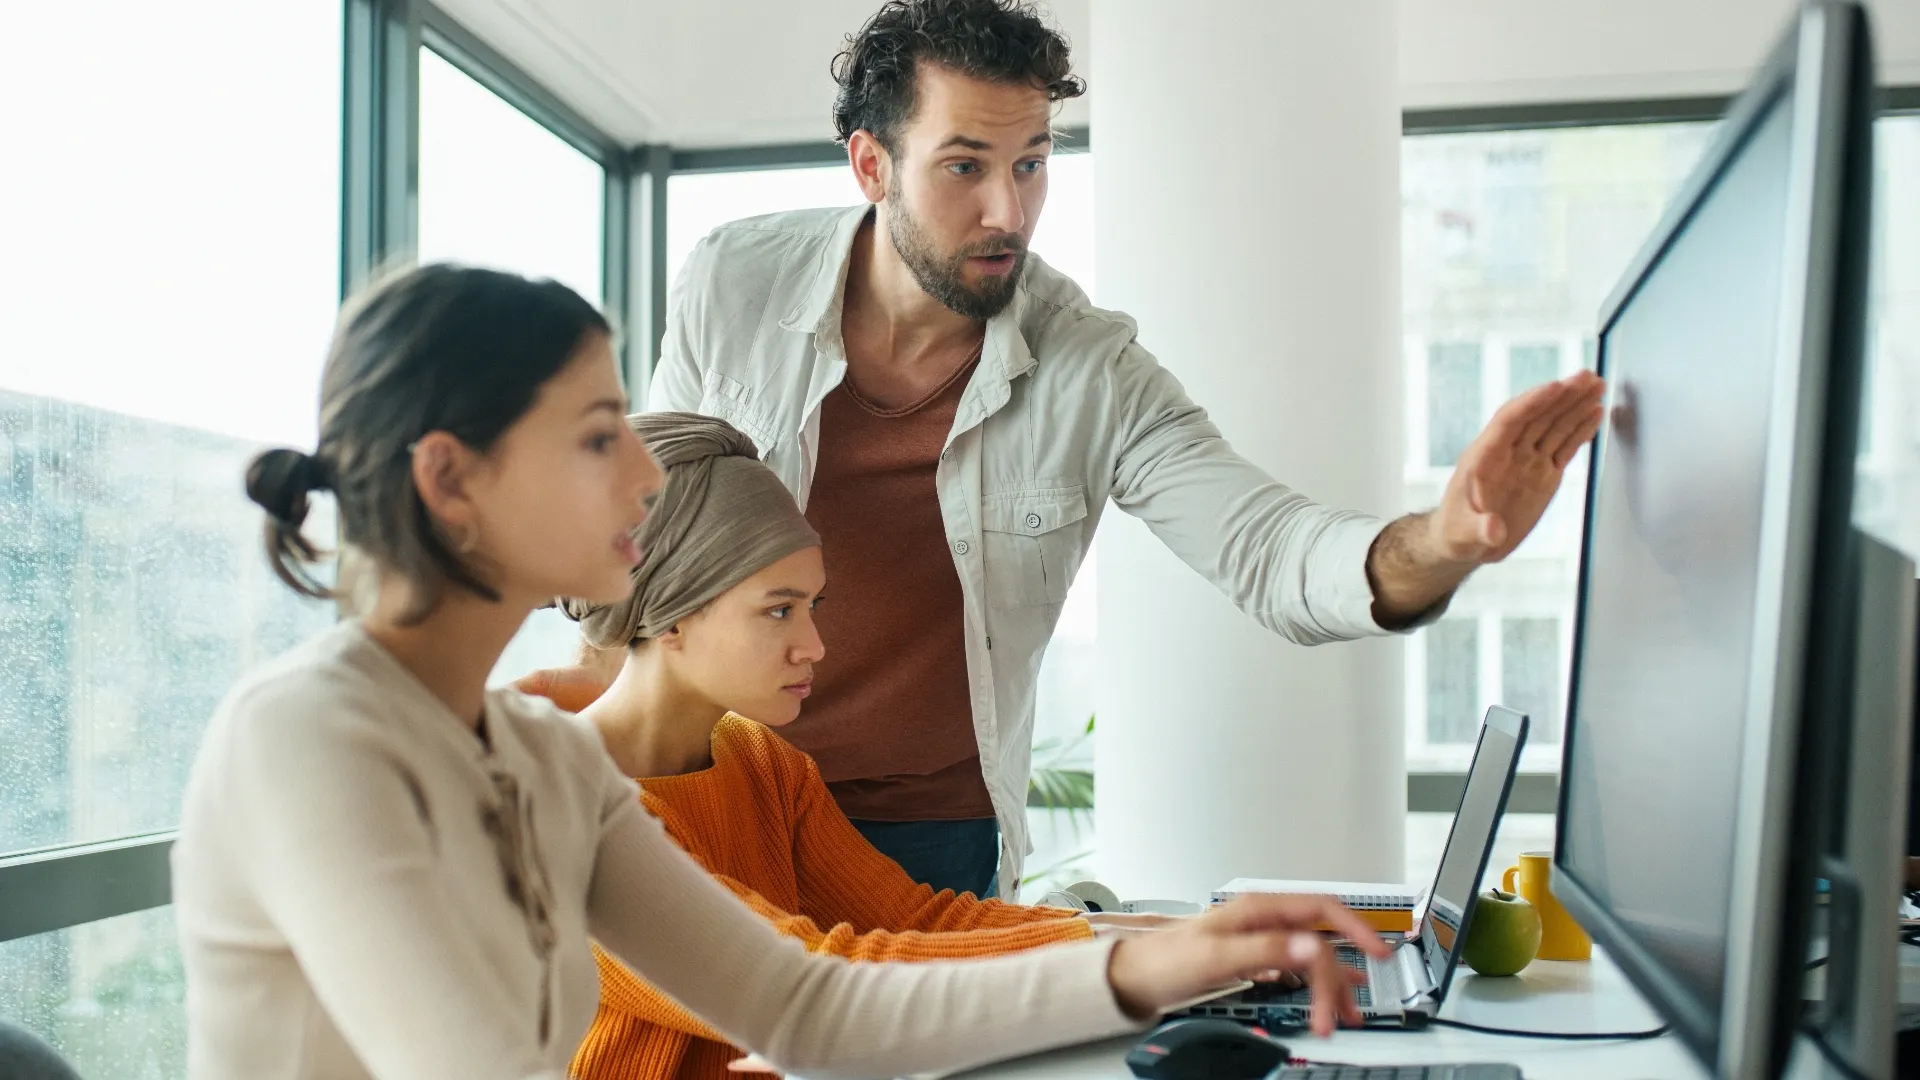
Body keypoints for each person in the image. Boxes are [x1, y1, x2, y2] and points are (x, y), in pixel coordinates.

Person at [170, 263, 1388, 1080]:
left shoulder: (541, 760)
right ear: (452, 481)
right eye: (598, 438)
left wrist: (1161, 959)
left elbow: (809, 1007)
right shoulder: (311, 740)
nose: (646, 477)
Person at [644, 0, 1608, 897]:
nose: (1008, 214)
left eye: (1032, 163)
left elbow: (1270, 550)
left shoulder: (1090, 365)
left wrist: (1444, 540)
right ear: (872, 165)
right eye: (965, 165)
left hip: (933, 831)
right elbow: (656, 541)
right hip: (715, 785)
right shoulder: (733, 281)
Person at [521, 412, 1179, 1079]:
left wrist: (1155, 941)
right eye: (779, 610)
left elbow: (915, 920)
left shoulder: (763, 763)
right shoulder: (559, 805)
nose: (816, 646)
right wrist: (1133, 963)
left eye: (814, 606)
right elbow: (813, 978)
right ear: (671, 614)